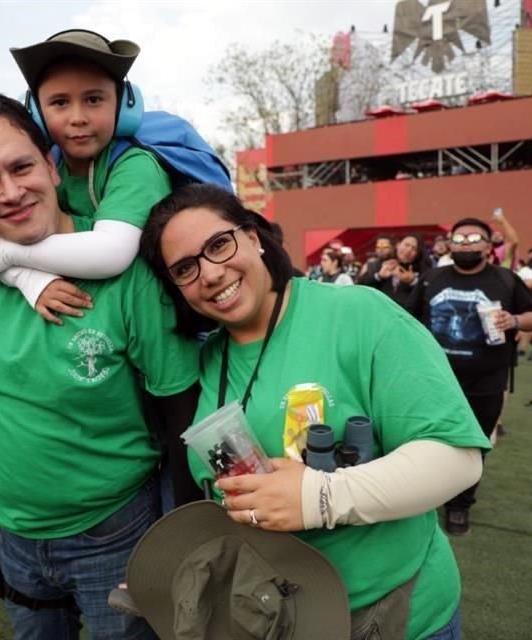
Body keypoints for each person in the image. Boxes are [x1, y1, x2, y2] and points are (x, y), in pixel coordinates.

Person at [0, 92, 201, 640]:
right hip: (9, 530)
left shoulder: (125, 271)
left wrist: (179, 542)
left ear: (49, 160)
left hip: (117, 535)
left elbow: (180, 404)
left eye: (21, 166)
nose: (12, 193)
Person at [140, 184, 490, 640]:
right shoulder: (207, 359)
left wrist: (321, 497)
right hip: (277, 618)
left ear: (253, 237)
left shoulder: (358, 314)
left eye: (219, 245)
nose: (209, 273)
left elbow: (457, 458)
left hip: (390, 614)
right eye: (185, 268)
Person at [0, 29, 173, 324]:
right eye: (60, 102)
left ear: (124, 105)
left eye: (94, 99)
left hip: (156, 318)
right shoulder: (47, 161)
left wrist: (5, 252)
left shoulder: (136, 164)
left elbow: (112, 252)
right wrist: (28, 281)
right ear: (35, 112)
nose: (78, 117)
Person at [405, 218, 532, 532]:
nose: (465, 244)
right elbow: (407, 318)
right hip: (434, 378)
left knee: (474, 443)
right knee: (426, 439)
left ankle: (459, 504)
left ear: (488, 245)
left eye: (473, 238)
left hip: (486, 380)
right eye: (459, 238)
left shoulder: (505, 280)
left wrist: (515, 320)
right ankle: (422, 495)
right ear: (450, 244)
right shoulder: (432, 278)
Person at [358, 232, 428, 307]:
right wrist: (379, 276)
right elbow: (359, 287)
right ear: (398, 245)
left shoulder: (423, 269)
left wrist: (412, 281)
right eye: (406, 245)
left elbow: (428, 293)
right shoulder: (378, 264)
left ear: (417, 254)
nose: (408, 250)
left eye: (414, 248)